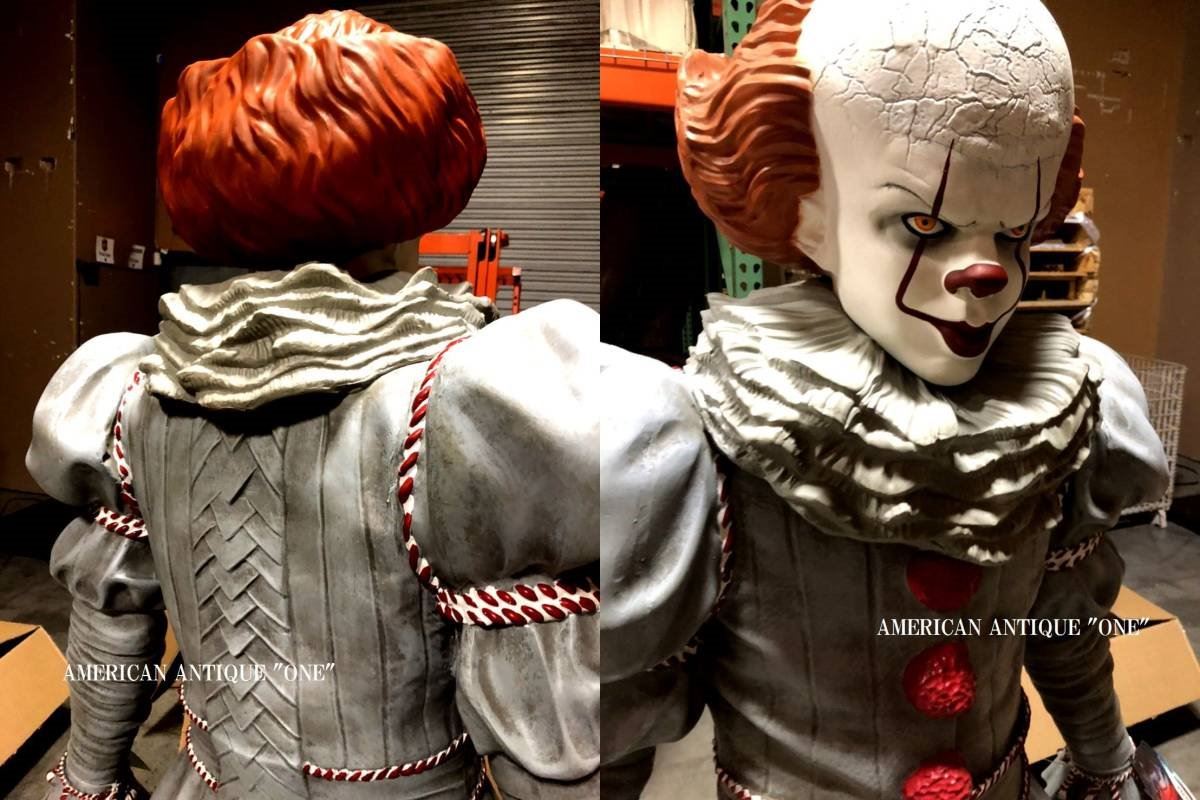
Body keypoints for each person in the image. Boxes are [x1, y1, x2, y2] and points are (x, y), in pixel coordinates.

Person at [600, 1, 1170, 798]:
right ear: (803, 208)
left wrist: (1108, 766)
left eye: (1012, 233)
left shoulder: (1057, 418)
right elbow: (630, 710)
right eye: (923, 222)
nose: (986, 273)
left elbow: (1062, 628)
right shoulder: (707, 442)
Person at [29, 11, 598, 799]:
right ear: (429, 171)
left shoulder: (134, 390)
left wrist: (88, 780)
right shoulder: (458, 403)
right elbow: (546, 730)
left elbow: (109, 618)